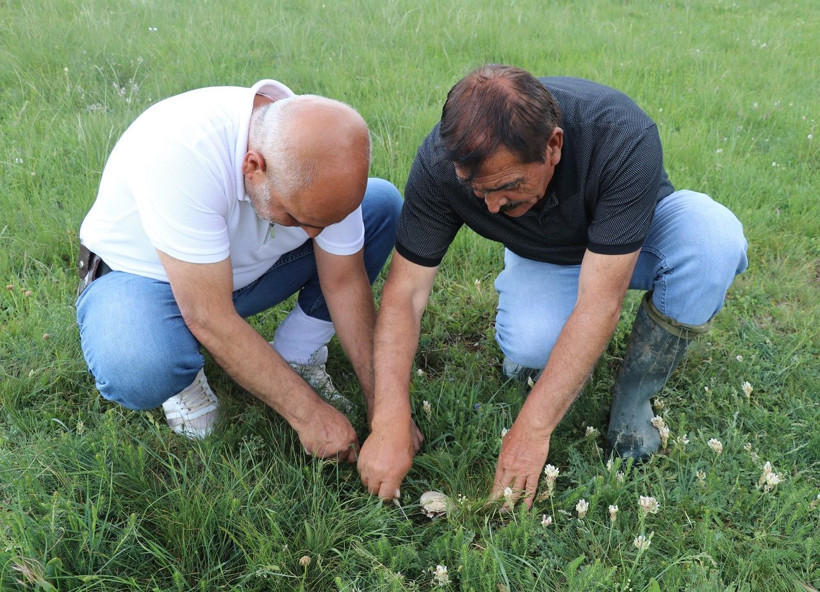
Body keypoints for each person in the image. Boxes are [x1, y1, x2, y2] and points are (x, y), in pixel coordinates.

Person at [358, 65, 748, 506]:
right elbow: (405, 294)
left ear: (554, 146)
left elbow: (601, 301)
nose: (490, 205)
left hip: (635, 244)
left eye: (507, 186)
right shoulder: (442, 163)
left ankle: (634, 398)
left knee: (713, 240)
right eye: (475, 189)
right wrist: (387, 420)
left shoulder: (620, 134)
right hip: (547, 254)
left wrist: (532, 430)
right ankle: (540, 348)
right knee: (529, 346)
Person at [76, 79, 405, 462]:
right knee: (141, 367)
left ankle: (297, 351)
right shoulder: (183, 153)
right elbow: (209, 315)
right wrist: (311, 416)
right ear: (254, 167)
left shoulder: (319, 155)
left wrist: (384, 411)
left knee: (380, 205)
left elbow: (345, 281)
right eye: (298, 219)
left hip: (238, 274)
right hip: (144, 280)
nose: (314, 234)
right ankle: (179, 371)